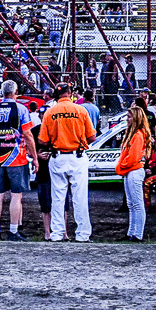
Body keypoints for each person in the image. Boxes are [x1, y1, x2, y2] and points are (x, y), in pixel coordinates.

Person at [39, 84, 97, 242]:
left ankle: (57, 233)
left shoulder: (50, 112)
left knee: (57, 197)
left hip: (57, 156)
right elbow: (92, 137)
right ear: (70, 94)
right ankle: (83, 234)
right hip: (77, 156)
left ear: (57, 96)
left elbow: (42, 140)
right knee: (80, 197)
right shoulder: (81, 110)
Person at [0, 81, 37, 241]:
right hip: (16, 158)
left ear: (2, 92)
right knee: (16, 195)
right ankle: (13, 230)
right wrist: (35, 157)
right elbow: (28, 135)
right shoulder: (21, 109)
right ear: (16, 91)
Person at [115, 107, 155, 241]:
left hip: (134, 170)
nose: (127, 119)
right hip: (130, 171)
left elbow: (133, 156)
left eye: (129, 116)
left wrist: (121, 165)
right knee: (131, 203)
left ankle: (138, 234)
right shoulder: (132, 134)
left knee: (137, 203)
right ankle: (131, 232)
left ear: (136, 118)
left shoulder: (137, 135)